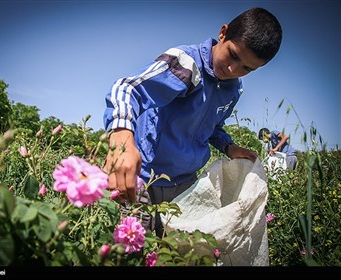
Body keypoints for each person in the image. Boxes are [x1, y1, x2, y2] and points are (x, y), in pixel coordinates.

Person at [103, 7, 282, 234]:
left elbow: (213, 127)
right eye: (233, 55)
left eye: (247, 68)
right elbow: (127, 89)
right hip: (145, 180)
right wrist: (122, 139)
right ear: (223, 33)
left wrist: (229, 146)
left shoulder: (234, 89)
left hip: (185, 186)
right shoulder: (186, 65)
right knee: (135, 245)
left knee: (173, 251)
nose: (232, 69)